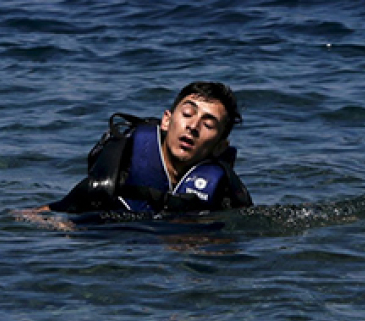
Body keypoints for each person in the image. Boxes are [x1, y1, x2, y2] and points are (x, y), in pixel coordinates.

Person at [22, 82, 253, 219]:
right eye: (187, 114)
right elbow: (57, 210)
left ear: (220, 146)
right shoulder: (124, 166)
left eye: (208, 124)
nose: (193, 126)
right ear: (166, 121)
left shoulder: (224, 190)